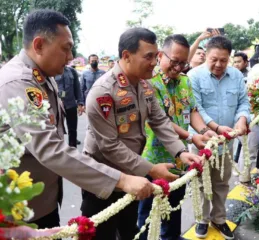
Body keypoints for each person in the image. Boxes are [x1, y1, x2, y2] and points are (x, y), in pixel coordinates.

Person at [0, 9, 154, 230]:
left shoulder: (43, 76)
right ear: (39, 45)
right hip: (19, 213)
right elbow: (50, 149)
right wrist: (122, 180)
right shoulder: (18, 83)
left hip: (39, 203)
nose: (71, 57)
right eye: (66, 48)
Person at [82, 28, 203, 240]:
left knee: (130, 231)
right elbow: (109, 146)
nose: (154, 62)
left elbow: (159, 120)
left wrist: (180, 152)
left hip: (132, 175)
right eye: (148, 57)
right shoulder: (104, 92)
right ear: (126, 56)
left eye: (155, 56)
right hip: (103, 180)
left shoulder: (144, 85)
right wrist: (151, 170)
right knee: (103, 234)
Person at [138, 34, 217, 240]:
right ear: (160, 55)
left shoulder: (184, 81)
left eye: (183, 62)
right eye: (175, 61)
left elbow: (192, 111)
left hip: (180, 157)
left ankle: (172, 237)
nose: (179, 67)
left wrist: (202, 131)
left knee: (175, 205)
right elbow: (160, 121)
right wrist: (192, 137)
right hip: (153, 159)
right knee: (149, 211)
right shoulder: (148, 82)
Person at [188, 36, 250, 240]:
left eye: (223, 60)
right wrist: (215, 127)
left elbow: (243, 102)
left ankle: (219, 218)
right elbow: (196, 108)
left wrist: (242, 119)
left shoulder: (236, 76)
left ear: (229, 58)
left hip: (227, 142)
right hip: (203, 143)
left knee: (222, 182)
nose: (218, 65)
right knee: (201, 183)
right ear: (206, 54)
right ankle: (202, 219)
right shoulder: (194, 76)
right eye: (214, 59)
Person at [55, 65, 85, 147]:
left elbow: (77, 88)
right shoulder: (52, 70)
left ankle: (73, 150)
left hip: (71, 104)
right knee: (57, 130)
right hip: (57, 105)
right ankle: (59, 151)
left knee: (72, 130)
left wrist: (80, 103)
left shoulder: (72, 71)